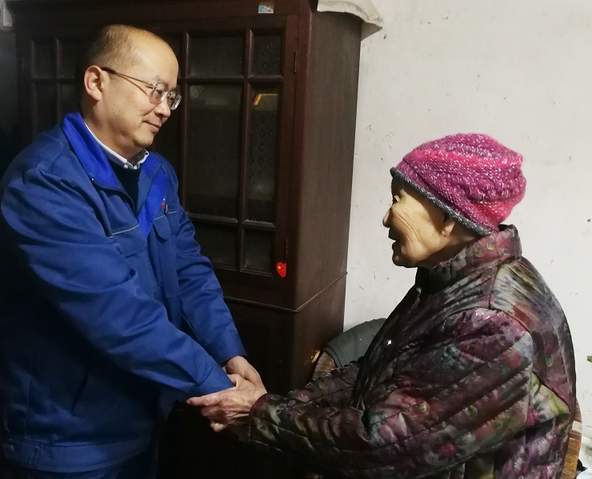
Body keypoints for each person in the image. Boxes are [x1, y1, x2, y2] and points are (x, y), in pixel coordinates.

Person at [189, 133, 577, 478]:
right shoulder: (450, 282)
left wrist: (259, 413)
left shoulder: (493, 323)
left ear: (447, 217)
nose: (386, 218)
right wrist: (273, 406)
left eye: (397, 199)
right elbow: (378, 372)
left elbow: (383, 444)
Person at [0, 24, 261, 478]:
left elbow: (190, 271)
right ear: (96, 82)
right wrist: (222, 389)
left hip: (142, 413)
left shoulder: (156, 172)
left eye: (171, 96)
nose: (164, 108)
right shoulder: (44, 184)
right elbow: (118, 314)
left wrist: (231, 353)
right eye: (154, 90)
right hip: (68, 438)